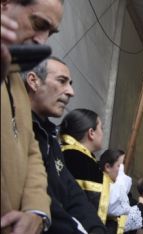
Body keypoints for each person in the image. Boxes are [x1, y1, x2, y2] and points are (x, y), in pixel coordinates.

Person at [24, 56, 106, 233]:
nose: (71, 92)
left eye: (70, 83)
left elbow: (73, 194)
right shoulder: (18, 128)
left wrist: (97, 229)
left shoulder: (51, 138)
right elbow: (44, 200)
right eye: (62, 81)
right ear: (33, 81)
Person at [1, 0, 62, 232]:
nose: (42, 40)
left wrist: (36, 211)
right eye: (38, 23)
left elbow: (30, 150)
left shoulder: (16, 77)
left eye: (50, 32)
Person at [59, 109, 108, 222]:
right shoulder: (80, 160)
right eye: (101, 128)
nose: (102, 133)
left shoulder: (65, 152)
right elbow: (102, 203)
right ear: (91, 133)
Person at [98, 149, 143, 233]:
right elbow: (112, 209)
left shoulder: (116, 187)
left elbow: (124, 220)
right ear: (107, 167)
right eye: (120, 166)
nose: (123, 172)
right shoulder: (102, 186)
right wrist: (141, 206)